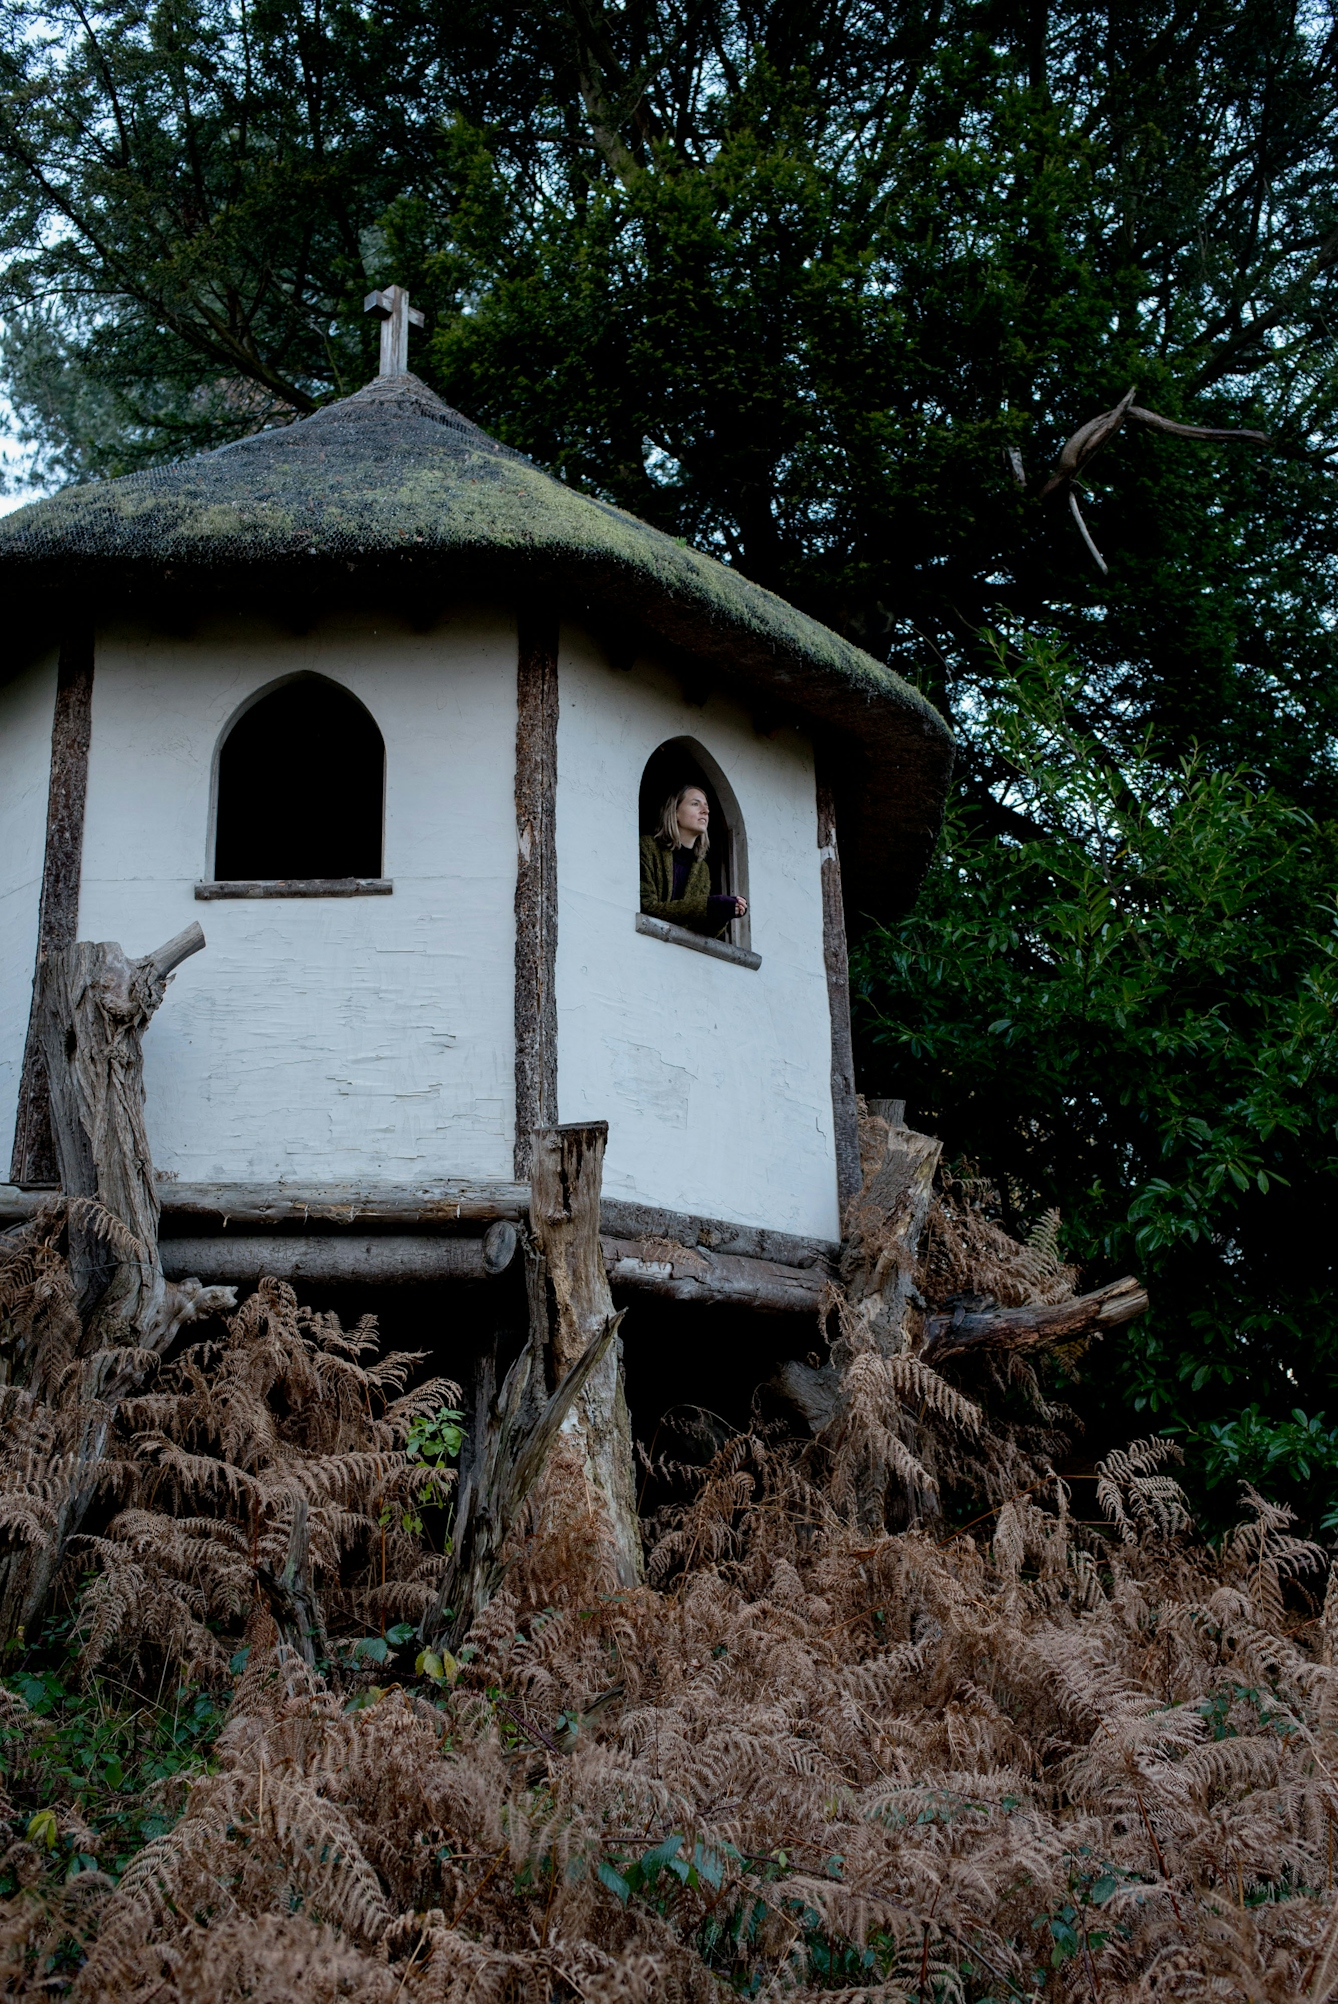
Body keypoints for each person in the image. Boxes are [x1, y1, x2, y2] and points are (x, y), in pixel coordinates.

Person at [639, 785, 749, 938]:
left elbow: (701, 932)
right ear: (675, 812)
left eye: (706, 806)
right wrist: (709, 905)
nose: (705, 810)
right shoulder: (648, 848)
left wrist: (722, 914)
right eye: (695, 804)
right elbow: (646, 908)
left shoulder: (702, 869)